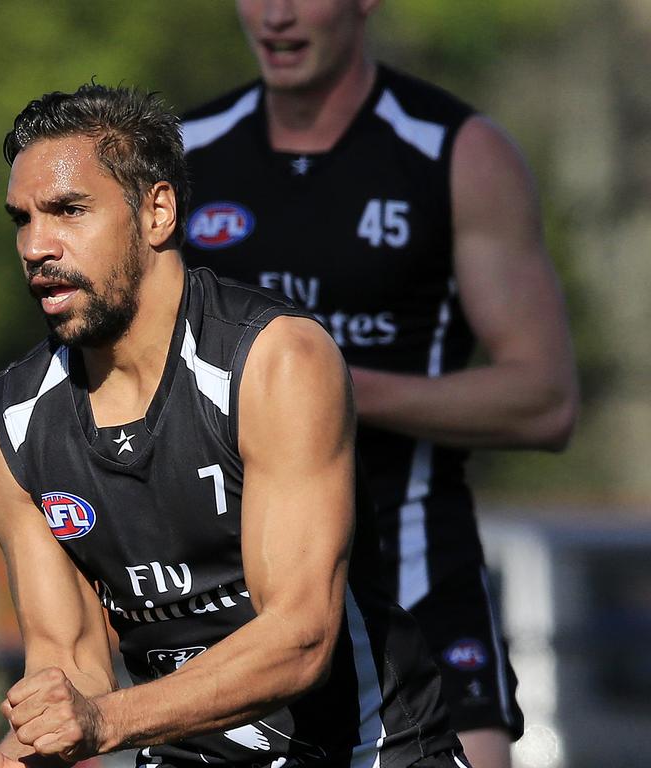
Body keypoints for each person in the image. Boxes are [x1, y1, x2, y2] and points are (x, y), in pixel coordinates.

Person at [0, 84, 471, 768]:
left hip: (370, 753)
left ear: (156, 211)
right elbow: (71, 673)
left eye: (68, 211)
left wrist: (104, 719)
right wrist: (14, 761)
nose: (36, 245)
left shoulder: (275, 360)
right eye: (22, 220)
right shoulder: (3, 426)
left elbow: (299, 639)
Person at [179, 3, 580, 767]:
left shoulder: (457, 152)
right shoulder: (183, 156)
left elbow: (546, 398)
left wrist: (321, 385)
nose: (277, 13)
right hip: (231, 588)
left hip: (415, 574)